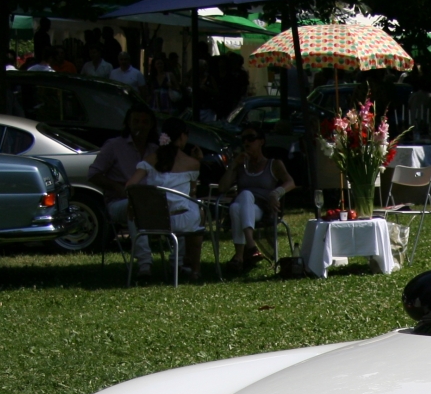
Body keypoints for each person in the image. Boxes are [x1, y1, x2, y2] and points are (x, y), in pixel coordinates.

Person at [126, 117, 204, 281]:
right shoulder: (192, 164)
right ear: (182, 136)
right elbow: (192, 192)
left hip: (152, 221)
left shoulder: (149, 160)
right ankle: (186, 266)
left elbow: (130, 185)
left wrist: (134, 205)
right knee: (194, 210)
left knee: (134, 215)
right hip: (182, 221)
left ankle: (146, 264)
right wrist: (198, 160)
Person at [91, 105, 159, 270]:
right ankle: (145, 263)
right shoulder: (114, 146)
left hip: (150, 201)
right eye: (135, 121)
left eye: (145, 122)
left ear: (151, 126)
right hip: (119, 202)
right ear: (128, 123)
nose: (140, 126)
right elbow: (93, 174)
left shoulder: (155, 150)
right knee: (134, 207)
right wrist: (118, 187)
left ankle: (181, 263)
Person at [221, 124, 294, 273]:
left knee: (244, 196)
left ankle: (243, 253)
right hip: (246, 209)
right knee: (237, 205)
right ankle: (247, 251)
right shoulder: (241, 165)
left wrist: (275, 193)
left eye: (251, 138)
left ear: (261, 141)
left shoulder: (273, 164)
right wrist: (234, 164)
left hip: (263, 208)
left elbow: (290, 182)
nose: (247, 142)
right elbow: (222, 188)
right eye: (244, 139)